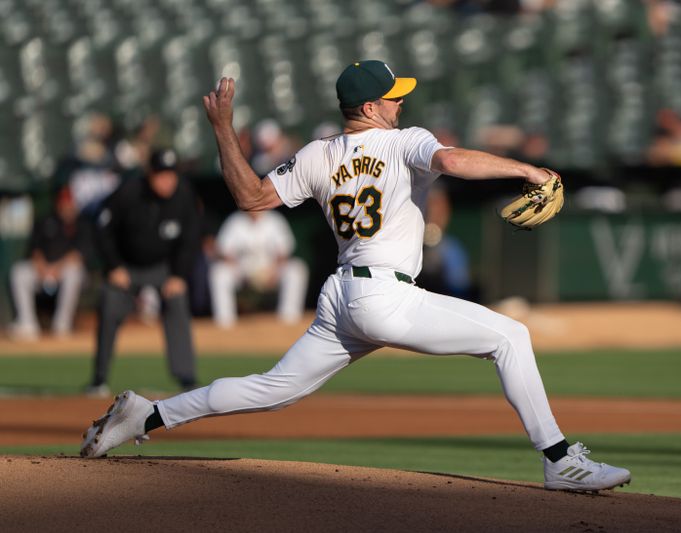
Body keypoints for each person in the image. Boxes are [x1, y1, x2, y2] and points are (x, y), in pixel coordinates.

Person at [80, 61, 631, 493]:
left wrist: (223, 130)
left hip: (341, 295)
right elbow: (456, 161)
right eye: (393, 97)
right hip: (384, 295)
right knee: (512, 336)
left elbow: (251, 197)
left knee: (273, 389)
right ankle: (561, 462)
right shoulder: (402, 140)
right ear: (370, 106)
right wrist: (528, 169)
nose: (400, 103)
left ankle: (145, 415)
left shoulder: (319, 154)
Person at [85, 149, 199, 397]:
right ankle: (99, 378)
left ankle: (187, 378)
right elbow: (101, 227)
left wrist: (179, 275)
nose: (166, 181)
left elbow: (190, 239)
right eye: (160, 175)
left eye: (171, 175)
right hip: (126, 266)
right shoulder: (129, 191)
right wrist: (113, 266)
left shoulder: (184, 195)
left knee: (177, 300)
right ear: (150, 174)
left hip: (162, 267)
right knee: (109, 302)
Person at [8, 187, 89, 340]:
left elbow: (77, 256)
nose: (68, 209)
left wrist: (56, 269)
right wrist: (43, 268)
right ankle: (27, 323)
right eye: (65, 205)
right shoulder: (46, 221)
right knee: (19, 272)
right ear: (59, 205)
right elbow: (35, 250)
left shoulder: (82, 224)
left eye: (71, 205)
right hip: (43, 271)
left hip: (65, 272)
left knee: (73, 272)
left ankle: (62, 324)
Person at [210, 209, 308, 327]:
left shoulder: (275, 220)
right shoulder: (235, 221)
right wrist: (239, 271)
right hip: (243, 271)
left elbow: (284, 252)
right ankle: (224, 322)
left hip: (270, 269)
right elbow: (224, 252)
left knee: (296, 269)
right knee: (219, 272)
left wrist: (273, 271)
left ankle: (288, 319)